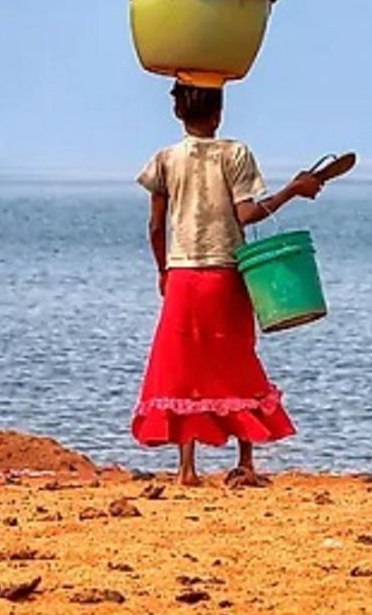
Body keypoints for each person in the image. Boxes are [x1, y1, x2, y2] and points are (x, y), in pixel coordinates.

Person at [133, 82, 323, 488]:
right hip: (225, 274)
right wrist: (293, 189)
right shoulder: (235, 154)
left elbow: (154, 226)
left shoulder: (164, 160)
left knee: (183, 368)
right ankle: (245, 461)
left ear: (177, 113)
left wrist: (162, 270)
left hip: (182, 274)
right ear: (219, 114)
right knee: (236, 359)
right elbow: (248, 214)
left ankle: (187, 468)